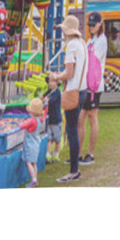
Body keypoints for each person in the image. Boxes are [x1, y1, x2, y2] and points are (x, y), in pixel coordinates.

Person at [49, 15, 88, 183]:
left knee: (71, 131)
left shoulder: (71, 45)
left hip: (73, 91)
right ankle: (75, 166)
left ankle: (73, 170)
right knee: (74, 129)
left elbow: (69, 73)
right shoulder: (82, 44)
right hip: (82, 90)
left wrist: (56, 76)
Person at [78, 11, 107, 166]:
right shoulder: (90, 40)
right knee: (80, 118)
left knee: (91, 117)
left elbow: (93, 61)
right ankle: (79, 152)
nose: (91, 27)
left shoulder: (101, 41)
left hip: (94, 86)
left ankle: (90, 153)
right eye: (89, 25)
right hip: (86, 84)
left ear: (99, 24)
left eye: (93, 24)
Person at [19, 97, 47, 187]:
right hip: (36, 143)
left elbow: (22, 126)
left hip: (29, 144)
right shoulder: (40, 119)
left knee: (28, 162)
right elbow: (45, 112)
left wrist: (21, 123)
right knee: (34, 162)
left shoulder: (31, 121)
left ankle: (33, 180)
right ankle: (36, 178)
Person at [44, 76, 62, 162]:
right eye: (49, 82)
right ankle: (47, 154)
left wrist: (45, 100)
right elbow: (44, 97)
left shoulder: (57, 92)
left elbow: (51, 101)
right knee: (49, 138)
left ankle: (56, 154)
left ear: (57, 83)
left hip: (56, 119)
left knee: (57, 138)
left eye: (53, 82)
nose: (50, 83)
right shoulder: (49, 91)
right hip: (49, 118)